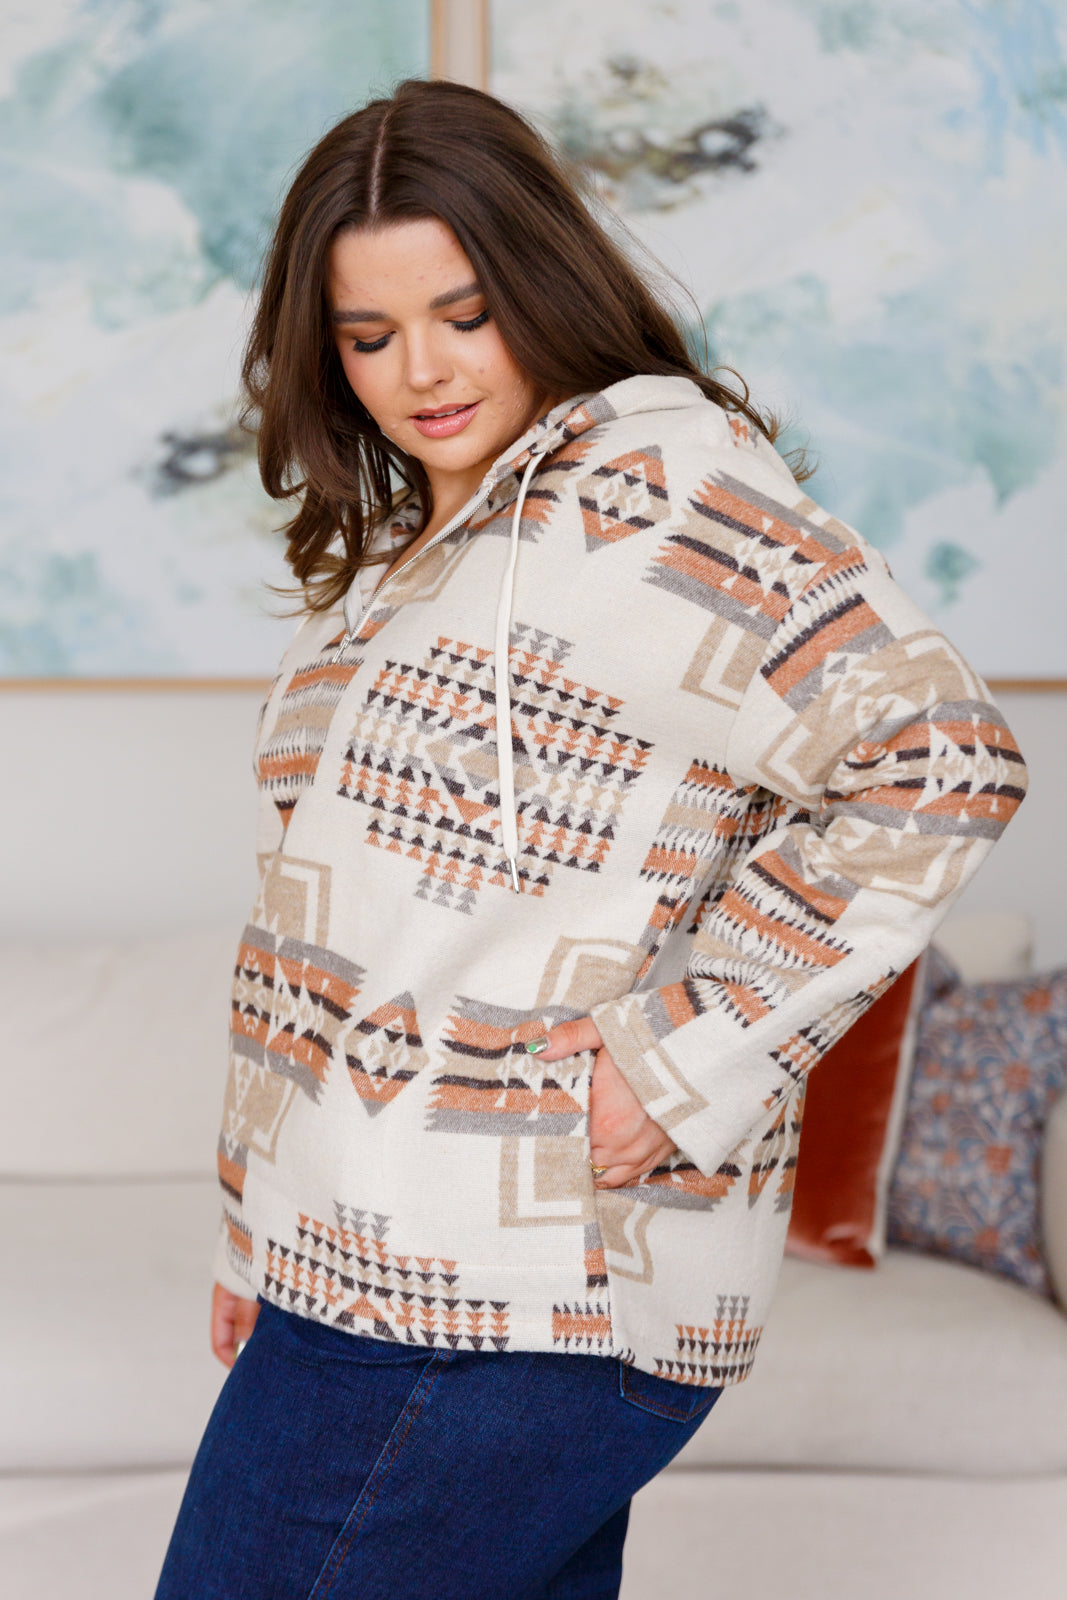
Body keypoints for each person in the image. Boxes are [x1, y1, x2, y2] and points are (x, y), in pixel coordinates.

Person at [155, 77, 1027, 1600]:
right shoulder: (416, 556)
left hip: (502, 1288)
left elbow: (937, 754)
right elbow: (326, 933)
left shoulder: (659, 491)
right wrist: (261, 1239)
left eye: (465, 313)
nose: (422, 370)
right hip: (366, 1270)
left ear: (542, 285)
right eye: (369, 336)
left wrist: (686, 1053)